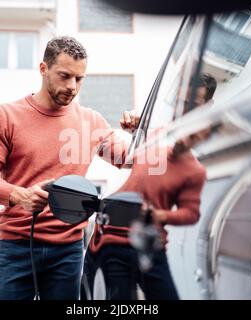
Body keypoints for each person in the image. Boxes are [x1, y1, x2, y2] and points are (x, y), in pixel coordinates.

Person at [0, 36, 131, 300]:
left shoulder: (90, 121)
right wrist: (20, 196)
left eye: (79, 79)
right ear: (43, 69)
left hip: (68, 251)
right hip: (17, 247)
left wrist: (141, 129)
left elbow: (132, 159)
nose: (72, 87)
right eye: (64, 76)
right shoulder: (7, 116)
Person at [84, 73, 217, 300]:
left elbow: (191, 212)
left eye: (192, 105)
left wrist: (160, 215)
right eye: (181, 102)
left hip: (152, 244)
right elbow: (127, 158)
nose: (183, 111)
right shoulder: (156, 134)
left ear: (208, 108)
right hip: (114, 239)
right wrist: (136, 128)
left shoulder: (204, 159)